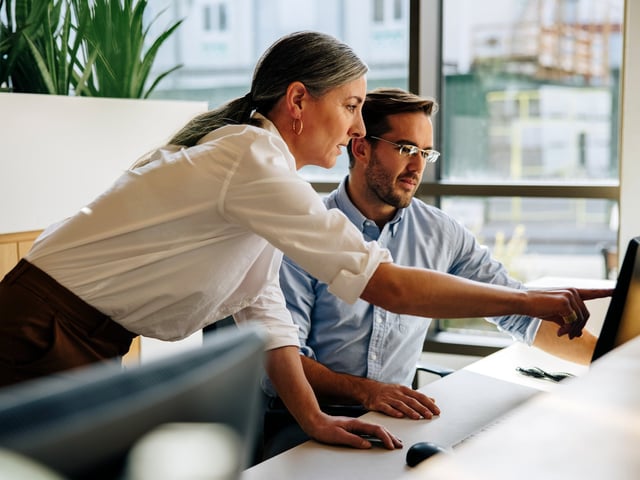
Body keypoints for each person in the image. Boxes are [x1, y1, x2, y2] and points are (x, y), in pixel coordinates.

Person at [0, 32, 609, 452]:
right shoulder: (250, 160)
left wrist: (314, 419)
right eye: (350, 106)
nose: (357, 128)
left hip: (73, 333)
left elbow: (265, 315)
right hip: (42, 329)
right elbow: (387, 285)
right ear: (298, 101)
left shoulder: (261, 176)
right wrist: (528, 300)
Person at [262, 87, 602, 456]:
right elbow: (283, 358)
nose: (418, 167)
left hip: (396, 419)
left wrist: (606, 364)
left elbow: (519, 313)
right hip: (306, 420)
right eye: (407, 149)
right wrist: (368, 391)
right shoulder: (306, 230)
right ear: (361, 148)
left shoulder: (440, 232)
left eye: (426, 153)